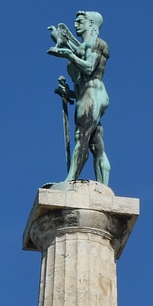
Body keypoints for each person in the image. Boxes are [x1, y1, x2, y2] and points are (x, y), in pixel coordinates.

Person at [48, 11, 111, 185]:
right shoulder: (84, 46)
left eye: (80, 21)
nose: (75, 24)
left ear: (91, 23)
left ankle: (70, 180)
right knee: (95, 143)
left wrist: (68, 55)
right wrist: (69, 93)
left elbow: (90, 69)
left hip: (93, 92)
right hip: (86, 93)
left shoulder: (97, 43)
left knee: (81, 135)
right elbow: (82, 82)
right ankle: (103, 187)